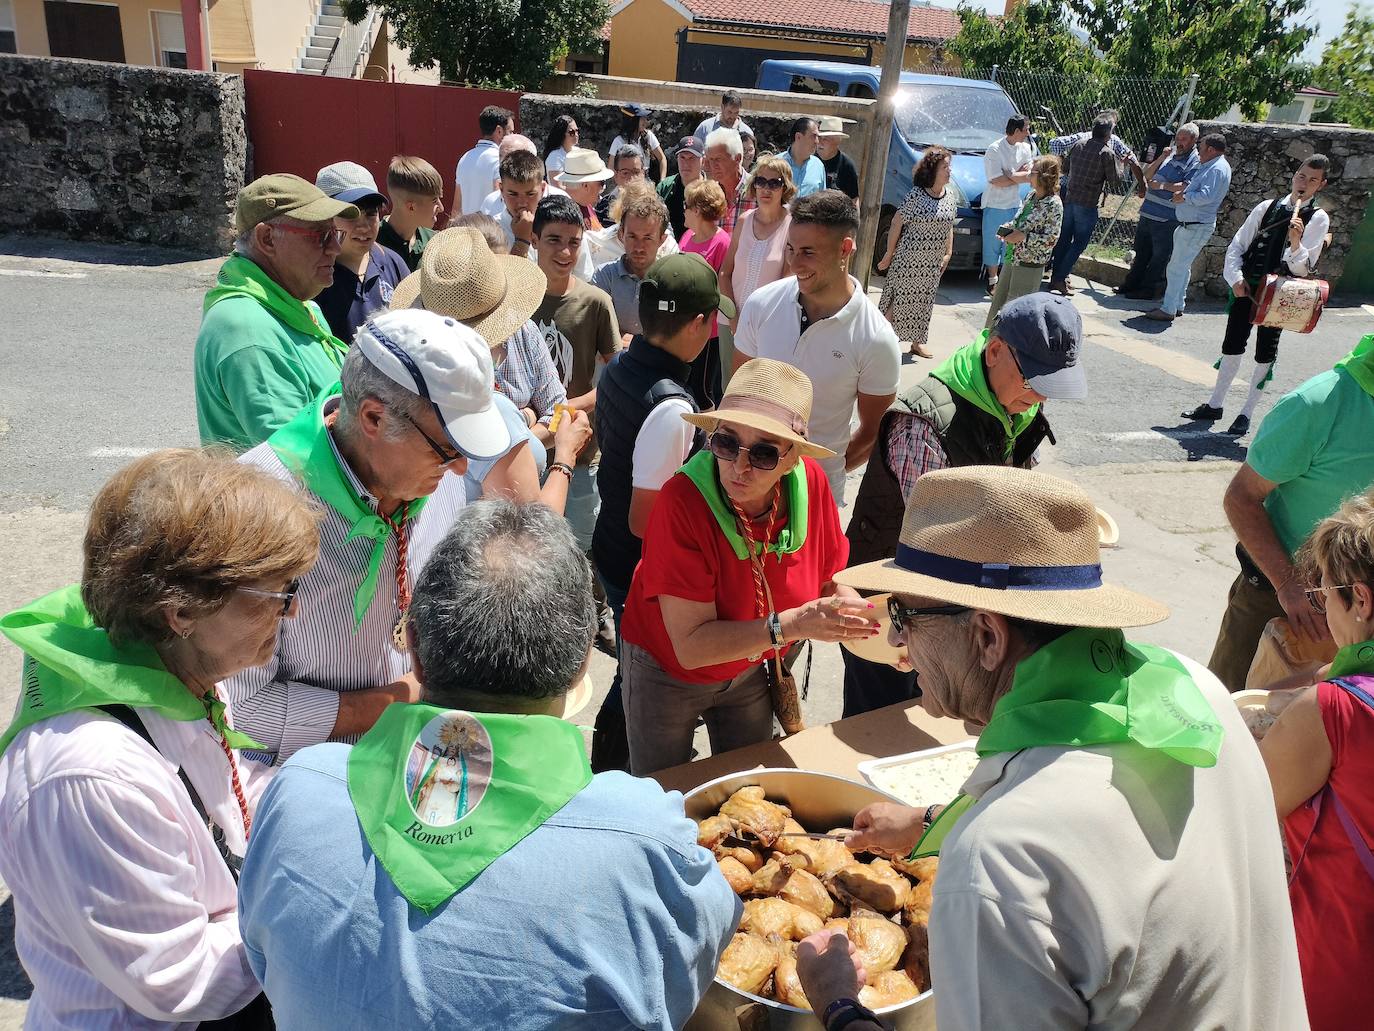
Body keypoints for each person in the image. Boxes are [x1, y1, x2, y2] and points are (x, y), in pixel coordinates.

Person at [835, 464, 1307, 1030]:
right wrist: (931, 820)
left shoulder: (1000, 859)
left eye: (905, 616)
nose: (895, 640)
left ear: (987, 636)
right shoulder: (1192, 689)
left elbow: (1048, 846)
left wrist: (840, 1008)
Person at [237, 501, 740, 1029]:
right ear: (580, 671)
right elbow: (692, 974)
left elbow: (262, 955)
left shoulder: (299, 789)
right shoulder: (646, 840)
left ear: (414, 655)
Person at [0, 448, 320, 1028]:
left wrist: (322, 804)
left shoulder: (171, 671)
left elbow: (228, 788)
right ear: (182, 612)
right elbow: (181, 979)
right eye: (279, 596)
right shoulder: (93, 778)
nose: (292, 615)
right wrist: (313, 908)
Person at [222, 308, 572, 764]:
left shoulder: (427, 466)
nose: (461, 470)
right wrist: (394, 702)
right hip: (306, 782)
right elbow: (242, 711)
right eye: (448, 449)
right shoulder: (255, 513)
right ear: (373, 417)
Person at [621, 358, 877, 775]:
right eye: (726, 443)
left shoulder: (809, 484)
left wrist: (868, 624)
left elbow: (831, 582)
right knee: (663, 791)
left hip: (751, 669)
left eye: (763, 452)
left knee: (747, 789)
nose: (739, 466)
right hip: (666, 673)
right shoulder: (681, 501)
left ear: (793, 458)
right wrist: (790, 626)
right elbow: (691, 646)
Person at [843, 293, 1084, 716]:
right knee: (879, 719)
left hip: (960, 605)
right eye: (1035, 383)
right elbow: (941, 537)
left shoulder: (1018, 407)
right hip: (895, 605)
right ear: (994, 352)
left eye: (1052, 388)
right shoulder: (924, 422)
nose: (1042, 399)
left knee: (945, 721)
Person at [589, 254, 729, 772]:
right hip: (637, 566)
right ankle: (609, 770)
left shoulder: (624, 364)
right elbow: (645, 521)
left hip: (610, 548)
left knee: (631, 669)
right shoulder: (670, 407)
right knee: (639, 677)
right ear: (698, 325)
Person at [1260, 487, 1374, 1031]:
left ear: (1361, 598)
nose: (1323, 605)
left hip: (1342, 975)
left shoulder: (1330, 714)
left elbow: (1250, 813)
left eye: (1326, 591)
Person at [1205, 333, 1374, 692]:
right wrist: (1288, 583)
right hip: (1284, 601)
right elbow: (1241, 497)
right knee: (1230, 717)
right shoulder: (1319, 404)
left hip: (1363, 611)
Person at [733, 190, 900, 505]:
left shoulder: (877, 339)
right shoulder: (761, 304)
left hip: (816, 499)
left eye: (808, 252)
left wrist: (818, 473)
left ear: (845, 249)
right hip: (746, 486)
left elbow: (871, 434)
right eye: (791, 249)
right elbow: (738, 397)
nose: (795, 263)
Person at [391, 229, 586, 488]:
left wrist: (520, 430)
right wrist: (523, 423)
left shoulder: (523, 332)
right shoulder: (420, 369)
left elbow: (560, 410)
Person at [195, 174, 359, 451]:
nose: (336, 248)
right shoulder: (248, 328)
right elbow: (294, 458)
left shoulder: (300, 306)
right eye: (321, 236)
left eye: (335, 234)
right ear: (267, 238)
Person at [1183, 155, 1332, 435]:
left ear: (1320, 185)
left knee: (1266, 352)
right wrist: (1236, 279)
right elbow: (1238, 245)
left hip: (1282, 295)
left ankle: (1246, 413)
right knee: (1232, 344)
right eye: (1302, 176)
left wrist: (1296, 242)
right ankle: (1215, 404)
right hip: (1249, 287)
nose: (1304, 183)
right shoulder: (1267, 207)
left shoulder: (1318, 218)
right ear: (1294, 175)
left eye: (1313, 180)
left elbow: (1303, 266)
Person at [532, 195, 621, 559]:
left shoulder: (596, 302)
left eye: (573, 242)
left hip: (582, 452)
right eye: (554, 240)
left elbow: (615, 376)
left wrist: (568, 408)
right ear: (534, 240)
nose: (565, 252)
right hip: (528, 450)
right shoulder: (518, 300)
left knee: (581, 549)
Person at [312, 160, 411, 343]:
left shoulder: (392, 263)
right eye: (350, 214)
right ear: (324, 216)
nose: (363, 226)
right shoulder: (310, 274)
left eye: (371, 213)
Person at [877, 147, 957, 360]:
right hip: (910, 259)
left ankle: (917, 343)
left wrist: (948, 252)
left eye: (950, 166)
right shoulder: (917, 194)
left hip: (933, 261)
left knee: (924, 302)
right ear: (933, 170)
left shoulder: (950, 195)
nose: (949, 171)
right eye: (945, 167)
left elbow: (949, 225)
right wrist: (889, 254)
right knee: (898, 301)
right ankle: (877, 342)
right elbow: (896, 222)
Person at [1146, 132, 1233, 322]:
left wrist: (1183, 197)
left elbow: (1206, 196)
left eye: (1201, 147)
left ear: (1210, 149)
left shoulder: (1216, 169)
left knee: (1176, 268)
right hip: (1190, 225)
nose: (1199, 151)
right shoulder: (1211, 166)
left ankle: (1168, 309)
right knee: (1182, 267)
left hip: (1196, 225)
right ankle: (1177, 305)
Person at [1118, 123, 1200, 300]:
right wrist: (1162, 157)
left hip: (1166, 218)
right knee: (1141, 252)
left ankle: (1147, 290)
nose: (1179, 142)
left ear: (1194, 140)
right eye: (1178, 138)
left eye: (1184, 139)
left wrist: (1162, 185)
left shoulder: (1194, 161)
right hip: (1148, 211)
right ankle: (1130, 285)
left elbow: (1186, 186)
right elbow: (1147, 175)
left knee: (1159, 257)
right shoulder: (1169, 155)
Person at [720, 155, 794, 340]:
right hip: (730, 322)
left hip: (767, 326)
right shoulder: (744, 220)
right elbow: (725, 274)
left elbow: (787, 284)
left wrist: (760, 323)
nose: (766, 189)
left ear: (784, 187)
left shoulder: (792, 225)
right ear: (754, 185)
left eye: (774, 183)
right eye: (761, 181)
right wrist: (733, 318)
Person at [984, 155, 1063, 327]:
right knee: (999, 306)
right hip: (1012, 259)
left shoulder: (1054, 204)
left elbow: (1051, 239)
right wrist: (1009, 228)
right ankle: (988, 346)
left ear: (1043, 176)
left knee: (1016, 313)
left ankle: (1009, 350)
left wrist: (1024, 237)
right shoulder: (1030, 196)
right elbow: (1019, 221)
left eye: (1032, 172)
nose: (1028, 175)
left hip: (1029, 265)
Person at [1047, 119, 1121, 297]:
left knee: (1063, 240)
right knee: (1079, 243)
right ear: (1108, 134)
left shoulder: (1078, 145)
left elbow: (1065, 168)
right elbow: (1115, 181)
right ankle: (1060, 277)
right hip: (1087, 204)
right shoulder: (1106, 153)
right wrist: (1121, 164)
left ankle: (1055, 278)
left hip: (1070, 199)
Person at [678, 178, 730, 410]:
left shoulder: (722, 242)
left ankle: (709, 440)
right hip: (683, 324)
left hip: (709, 330)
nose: (684, 211)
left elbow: (722, 288)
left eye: (686, 206)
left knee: (702, 389)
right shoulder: (687, 236)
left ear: (697, 210)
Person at [592, 187, 671, 339]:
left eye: (647, 238)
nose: (639, 247)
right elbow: (598, 327)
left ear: (662, 240)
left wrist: (635, 344)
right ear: (621, 235)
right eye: (632, 236)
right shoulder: (604, 277)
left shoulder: (670, 282)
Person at [980, 115, 1034, 292]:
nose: (1028, 133)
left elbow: (1029, 175)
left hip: (1013, 203)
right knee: (993, 243)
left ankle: (1004, 281)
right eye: (1026, 129)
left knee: (1009, 243)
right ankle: (992, 281)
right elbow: (995, 180)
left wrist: (1010, 174)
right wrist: (1016, 175)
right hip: (995, 203)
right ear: (1017, 130)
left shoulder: (1025, 148)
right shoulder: (995, 149)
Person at [377, 154, 444, 273]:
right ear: (411, 207)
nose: (441, 208)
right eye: (434, 200)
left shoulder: (435, 242)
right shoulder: (373, 245)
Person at [1047, 108, 1145, 186]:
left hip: (1072, 189)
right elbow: (1055, 143)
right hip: (1081, 193)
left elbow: (1055, 143)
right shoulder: (1089, 139)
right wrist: (1062, 166)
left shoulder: (1083, 140)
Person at [452, 104, 511, 217]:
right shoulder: (499, 159)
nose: (512, 136)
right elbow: (498, 202)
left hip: (466, 229)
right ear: (499, 131)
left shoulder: (465, 158)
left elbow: (456, 209)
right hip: (489, 230)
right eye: (510, 132)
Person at [705, 126, 753, 236]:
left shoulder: (758, 190)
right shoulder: (709, 195)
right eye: (711, 159)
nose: (714, 165)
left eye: (718, 159)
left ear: (737, 158)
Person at [556, 146, 615, 234]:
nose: (603, 188)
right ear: (586, 186)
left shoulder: (585, 204)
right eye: (601, 183)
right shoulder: (563, 216)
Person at [658, 135, 706, 241]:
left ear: (703, 161)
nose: (686, 163)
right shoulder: (665, 187)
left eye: (692, 158)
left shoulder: (712, 190)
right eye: (682, 157)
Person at [610, 102, 667, 181]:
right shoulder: (618, 141)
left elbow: (662, 158)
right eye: (642, 118)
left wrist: (662, 180)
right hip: (626, 181)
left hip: (645, 180)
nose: (645, 121)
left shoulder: (648, 136)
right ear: (633, 121)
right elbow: (611, 167)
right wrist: (620, 183)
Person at [595, 144, 647, 228]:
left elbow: (667, 235)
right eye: (625, 173)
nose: (631, 178)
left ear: (643, 173)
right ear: (616, 175)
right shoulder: (603, 206)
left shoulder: (654, 203)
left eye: (636, 172)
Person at [816, 115, 859, 201]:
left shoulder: (846, 165)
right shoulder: (809, 160)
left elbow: (854, 199)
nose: (820, 142)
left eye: (825, 139)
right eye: (819, 137)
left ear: (838, 141)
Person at [782, 116, 826, 198]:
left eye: (818, 137)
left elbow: (821, 201)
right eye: (813, 136)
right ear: (798, 137)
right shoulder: (776, 163)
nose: (817, 142)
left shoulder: (818, 166)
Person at [541, 114, 579, 180]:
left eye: (577, 131)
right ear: (561, 134)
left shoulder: (578, 151)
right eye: (571, 132)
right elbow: (557, 186)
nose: (576, 135)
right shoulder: (555, 157)